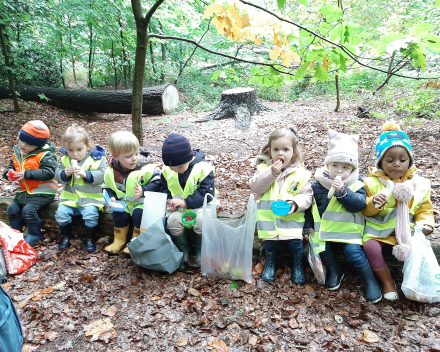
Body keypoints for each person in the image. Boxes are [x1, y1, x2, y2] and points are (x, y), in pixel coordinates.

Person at [303, 129, 382, 303]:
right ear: (327, 166)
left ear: (353, 169)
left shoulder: (356, 184)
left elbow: (359, 205)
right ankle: (335, 271)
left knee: (353, 251)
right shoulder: (317, 185)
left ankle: (370, 280)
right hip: (326, 229)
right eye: (335, 166)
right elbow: (310, 208)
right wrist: (308, 227)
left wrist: (343, 192)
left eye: (346, 167)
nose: (340, 171)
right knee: (323, 247)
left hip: (349, 231)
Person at [362, 121, 434, 301]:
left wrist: (425, 223)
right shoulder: (371, 183)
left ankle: (415, 282)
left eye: (402, 160)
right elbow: (365, 210)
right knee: (370, 246)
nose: (396, 164)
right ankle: (387, 282)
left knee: (418, 248)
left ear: (409, 161)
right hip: (379, 229)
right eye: (390, 160)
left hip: (408, 230)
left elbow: (424, 209)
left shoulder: (420, 184)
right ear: (380, 161)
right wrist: (373, 202)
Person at [249, 127, 313, 284]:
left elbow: (307, 196)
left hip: (291, 218)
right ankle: (270, 262)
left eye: (285, 149)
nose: (280, 153)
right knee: (270, 243)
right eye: (276, 149)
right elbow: (256, 188)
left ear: (294, 152)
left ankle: (297, 264)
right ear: (270, 151)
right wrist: (272, 173)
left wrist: (295, 204)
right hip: (268, 219)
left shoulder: (301, 174)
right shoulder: (263, 169)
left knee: (295, 244)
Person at [160, 134, 216, 271]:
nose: (174, 170)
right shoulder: (167, 171)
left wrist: (186, 202)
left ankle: (200, 250)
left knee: (203, 220)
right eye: (171, 168)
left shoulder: (203, 169)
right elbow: (163, 189)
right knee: (172, 221)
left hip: (202, 206)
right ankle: (182, 251)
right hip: (179, 209)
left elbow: (207, 194)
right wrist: (168, 202)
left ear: (189, 158)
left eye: (178, 167)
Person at [102, 131, 160, 255]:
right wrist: (111, 197)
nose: (134, 158)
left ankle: (136, 241)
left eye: (136, 153)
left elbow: (158, 184)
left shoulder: (147, 169)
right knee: (118, 214)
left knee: (139, 215)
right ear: (116, 156)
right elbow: (107, 187)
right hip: (123, 204)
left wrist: (144, 190)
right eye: (128, 156)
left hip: (141, 204)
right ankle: (119, 240)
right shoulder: (111, 172)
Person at [2, 120, 58, 245]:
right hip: (25, 191)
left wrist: (26, 174)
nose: (23, 145)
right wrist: (8, 173)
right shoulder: (19, 152)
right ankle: (16, 233)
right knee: (12, 209)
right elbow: (12, 166)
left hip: (43, 191)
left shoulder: (45, 155)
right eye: (21, 140)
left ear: (37, 145)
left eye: (28, 144)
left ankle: (34, 233)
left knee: (28, 210)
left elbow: (49, 172)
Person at [54, 125, 107, 252]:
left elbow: (103, 175)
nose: (75, 154)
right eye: (71, 150)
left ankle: (90, 239)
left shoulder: (97, 159)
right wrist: (64, 174)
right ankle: (67, 236)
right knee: (61, 213)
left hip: (91, 199)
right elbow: (57, 175)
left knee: (90, 214)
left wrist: (86, 174)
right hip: (70, 198)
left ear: (87, 146)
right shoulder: (66, 159)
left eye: (79, 149)